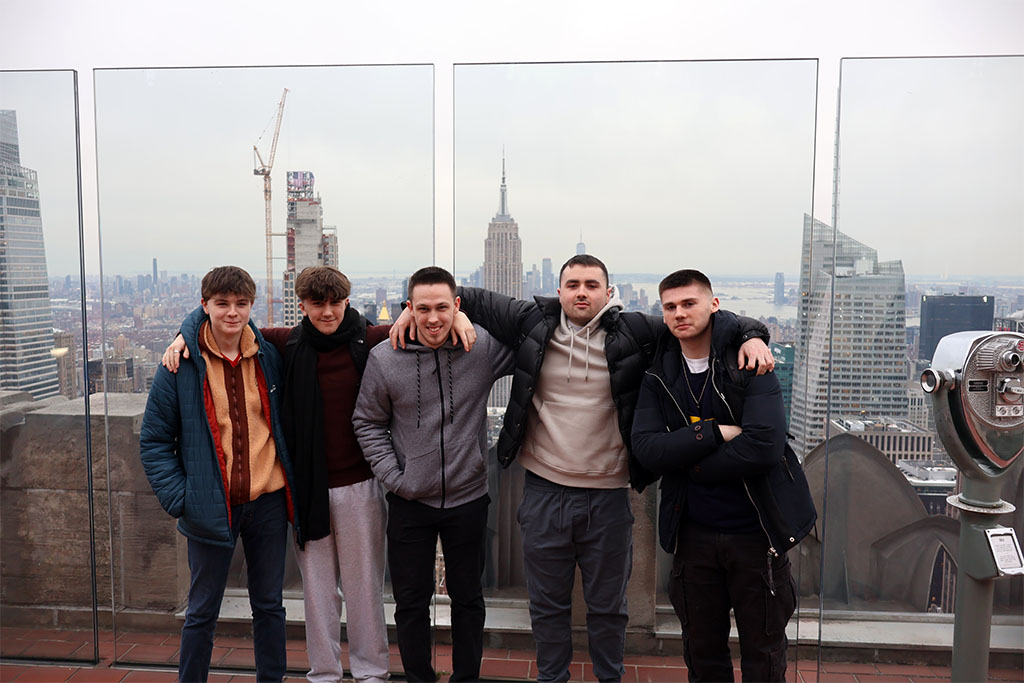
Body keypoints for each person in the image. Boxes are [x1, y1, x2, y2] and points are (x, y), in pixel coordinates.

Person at [390, 254, 774, 683]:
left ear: (609, 294)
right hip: (543, 491)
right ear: (559, 292)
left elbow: (696, 316)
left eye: (592, 285)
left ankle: (609, 677)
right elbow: (460, 296)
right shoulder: (531, 322)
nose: (581, 292)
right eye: (572, 284)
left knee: (609, 608)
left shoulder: (635, 331)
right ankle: (552, 678)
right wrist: (429, 312)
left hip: (610, 496)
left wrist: (753, 334)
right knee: (547, 606)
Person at [161, 265, 477, 683]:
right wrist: (185, 332)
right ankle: (325, 672)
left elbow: (425, 317)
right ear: (303, 306)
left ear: (347, 301)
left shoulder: (372, 339)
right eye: (317, 304)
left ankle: (370, 673)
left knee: (365, 588)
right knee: (318, 591)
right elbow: (231, 322)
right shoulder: (286, 343)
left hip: (360, 485)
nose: (327, 312)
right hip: (306, 488)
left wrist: (451, 314)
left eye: (336, 303)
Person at [631, 269, 816, 682]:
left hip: (756, 536)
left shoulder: (750, 360)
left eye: (689, 303)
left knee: (764, 656)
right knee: (701, 654)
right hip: (692, 538)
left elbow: (764, 447)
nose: (680, 313)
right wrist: (712, 432)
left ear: (714, 304)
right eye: (671, 307)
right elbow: (645, 448)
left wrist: (685, 458)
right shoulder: (658, 373)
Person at [353, 266, 514, 683]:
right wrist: (396, 477)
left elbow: (533, 328)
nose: (433, 318)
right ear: (408, 309)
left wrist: (470, 312)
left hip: (468, 499)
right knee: (409, 603)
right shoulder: (384, 358)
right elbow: (367, 422)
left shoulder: (480, 347)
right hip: (409, 502)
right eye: (422, 308)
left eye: (443, 307)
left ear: (457, 305)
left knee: (468, 600)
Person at [141, 265, 297, 683]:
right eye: (222, 303)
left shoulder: (269, 357)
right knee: (202, 611)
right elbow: (154, 441)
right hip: (211, 505)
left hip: (266, 502)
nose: (232, 312)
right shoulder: (180, 365)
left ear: (251, 306)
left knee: (269, 605)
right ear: (204, 305)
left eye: (241, 304)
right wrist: (184, 499)